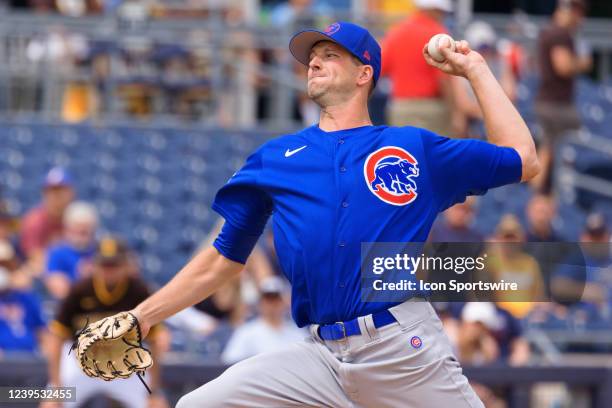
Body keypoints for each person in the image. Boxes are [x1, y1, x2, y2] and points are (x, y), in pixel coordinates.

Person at [102, 20, 537, 407]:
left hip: (402, 349)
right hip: (319, 358)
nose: (314, 63)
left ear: (364, 73)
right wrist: (140, 318)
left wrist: (476, 70)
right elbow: (222, 259)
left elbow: (523, 158)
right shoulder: (275, 158)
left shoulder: (414, 147)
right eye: (312, 57)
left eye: (330, 55)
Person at [45, 237, 168, 408]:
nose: (108, 270)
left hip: (124, 367)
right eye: (104, 264)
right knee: (50, 404)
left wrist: (153, 390)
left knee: (156, 405)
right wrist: (56, 386)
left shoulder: (138, 290)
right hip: (81, 366)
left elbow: (154, 340)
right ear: (94, 265)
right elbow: (57, 338)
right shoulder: (80, 290)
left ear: (126, 265)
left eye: (114, 265)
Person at [533, 0, 592, 193]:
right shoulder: (559, 33)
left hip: (549, 102)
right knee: (556, 153)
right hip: (556, 106)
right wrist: (582, 63)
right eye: (578, 12)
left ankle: (543, 197)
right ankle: (542, 197)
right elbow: (563, 66)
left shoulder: (550, 31)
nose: (580, 18)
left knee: (551, 153)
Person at [381, 0, 454, 135]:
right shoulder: (439, 34)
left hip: (400, 107)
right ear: (433, 10)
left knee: (404, 153)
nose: (442, 16)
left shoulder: (396, 31)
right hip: (432, 109)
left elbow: (381, 68)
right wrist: (455, 111)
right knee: (433, 155)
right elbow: (443, 80)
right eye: (441, 12)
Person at [222, 276, 306, 364]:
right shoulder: (246, 332)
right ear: (260, 303)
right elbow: (230, 361)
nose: (272, 304)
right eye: (268, 300)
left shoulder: (297, 332)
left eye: (276, 299)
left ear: (284, 302)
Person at [20, 167, 75, 275]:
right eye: (52, 191)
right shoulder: (34, 220)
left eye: (61, 190)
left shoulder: (78, 218)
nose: (56, 196)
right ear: (44, 194)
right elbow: (35, 257)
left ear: (71, 192)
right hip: (46, 271)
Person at [44, 201, 98, 300]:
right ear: (68, 228)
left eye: (86, 228)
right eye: (78, 227)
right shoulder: (58, 253)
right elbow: (59, 290)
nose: (82, 231)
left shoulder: (100, 251)